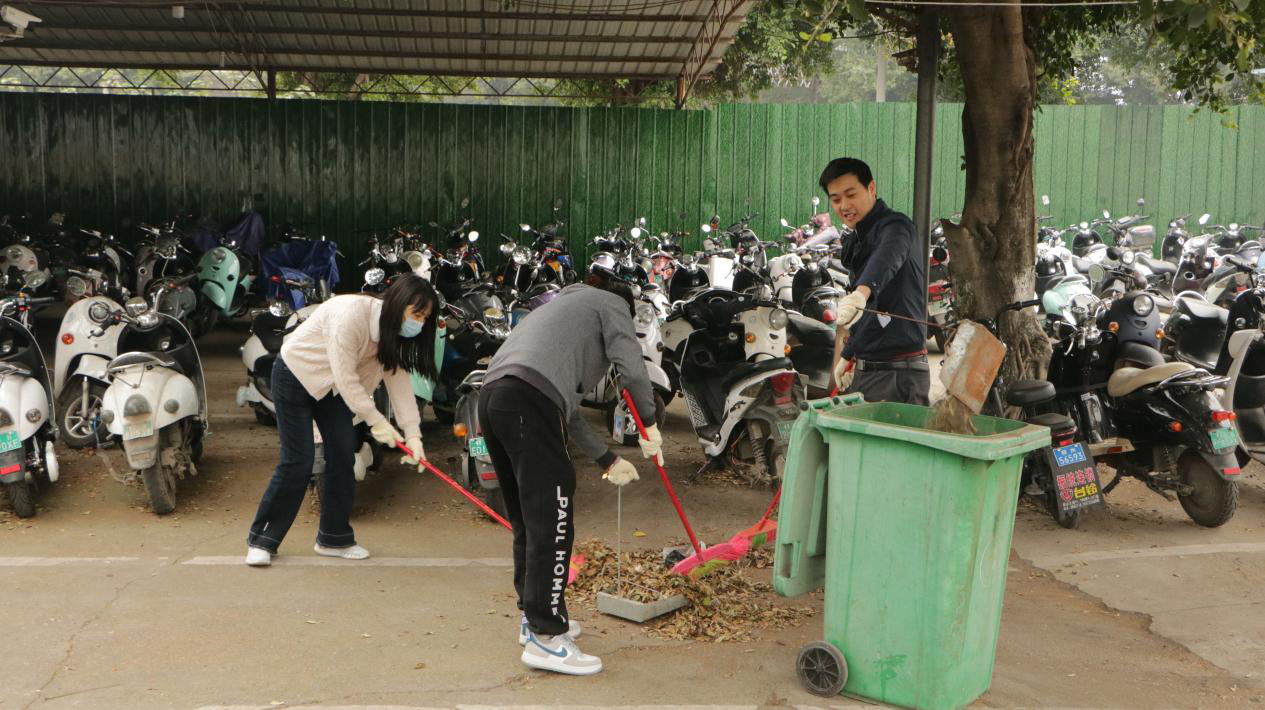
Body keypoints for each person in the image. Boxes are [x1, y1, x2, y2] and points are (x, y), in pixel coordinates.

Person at [478, 273, 659, 676]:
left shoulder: (561, 310)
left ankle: (533, 618)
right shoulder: (611, 303)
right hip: (527, 402)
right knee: (553, 520)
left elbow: (566, 410)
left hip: (493, 398)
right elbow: (633, 367)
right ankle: (547, 638)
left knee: (529, 519)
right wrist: (649, 422)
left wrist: (606, 459)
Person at [244, 274, 439, 566]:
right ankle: (262, 541)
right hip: (296, 375)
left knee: (343, 454)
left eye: (425, 318)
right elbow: (346, 376)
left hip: (333, 390)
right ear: (398, 304)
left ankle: (333, 538)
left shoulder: (393, 333)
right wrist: (376, 421)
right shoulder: (350, 316)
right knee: (298, 460)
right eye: (417, 314)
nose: (419, 323)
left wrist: (413, 434)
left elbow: (398, 381)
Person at [821, 157, 930, 405]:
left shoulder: (897, 226)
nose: (844, 205)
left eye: (851, 195)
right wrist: (849, 355)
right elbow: (870, 313)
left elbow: (886, 258)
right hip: (869, 369)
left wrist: (861, 292)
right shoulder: (858, 238)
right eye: (836, 199)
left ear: (871, 188)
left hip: (897, 374)